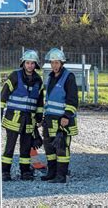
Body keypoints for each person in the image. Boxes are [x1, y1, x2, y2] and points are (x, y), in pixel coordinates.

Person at [1, 50, 44, 181]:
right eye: (28, 63)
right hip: (13, 119)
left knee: (25, 149)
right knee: (10, 147)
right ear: (23, 63)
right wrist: (0, 112)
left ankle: (25, 172)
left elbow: (40, 102)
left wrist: (39, 118)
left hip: (29, 121)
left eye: (32, 63)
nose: (30, 65)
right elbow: (4, 95)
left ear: (35, 65)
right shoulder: (15, 76)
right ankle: (5, 172)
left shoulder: (38, 80)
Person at [41, 48, 78, 183]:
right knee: (49, 148)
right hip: (50, 120)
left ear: (62, 63)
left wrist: (66, 116)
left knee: (62, 149)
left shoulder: (69, 77)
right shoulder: (51, 77)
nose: (54, 65)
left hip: (63, 120)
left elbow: (73, 99)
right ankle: (52, 173)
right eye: (52, 63)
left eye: (57, 63)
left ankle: (61, 176)